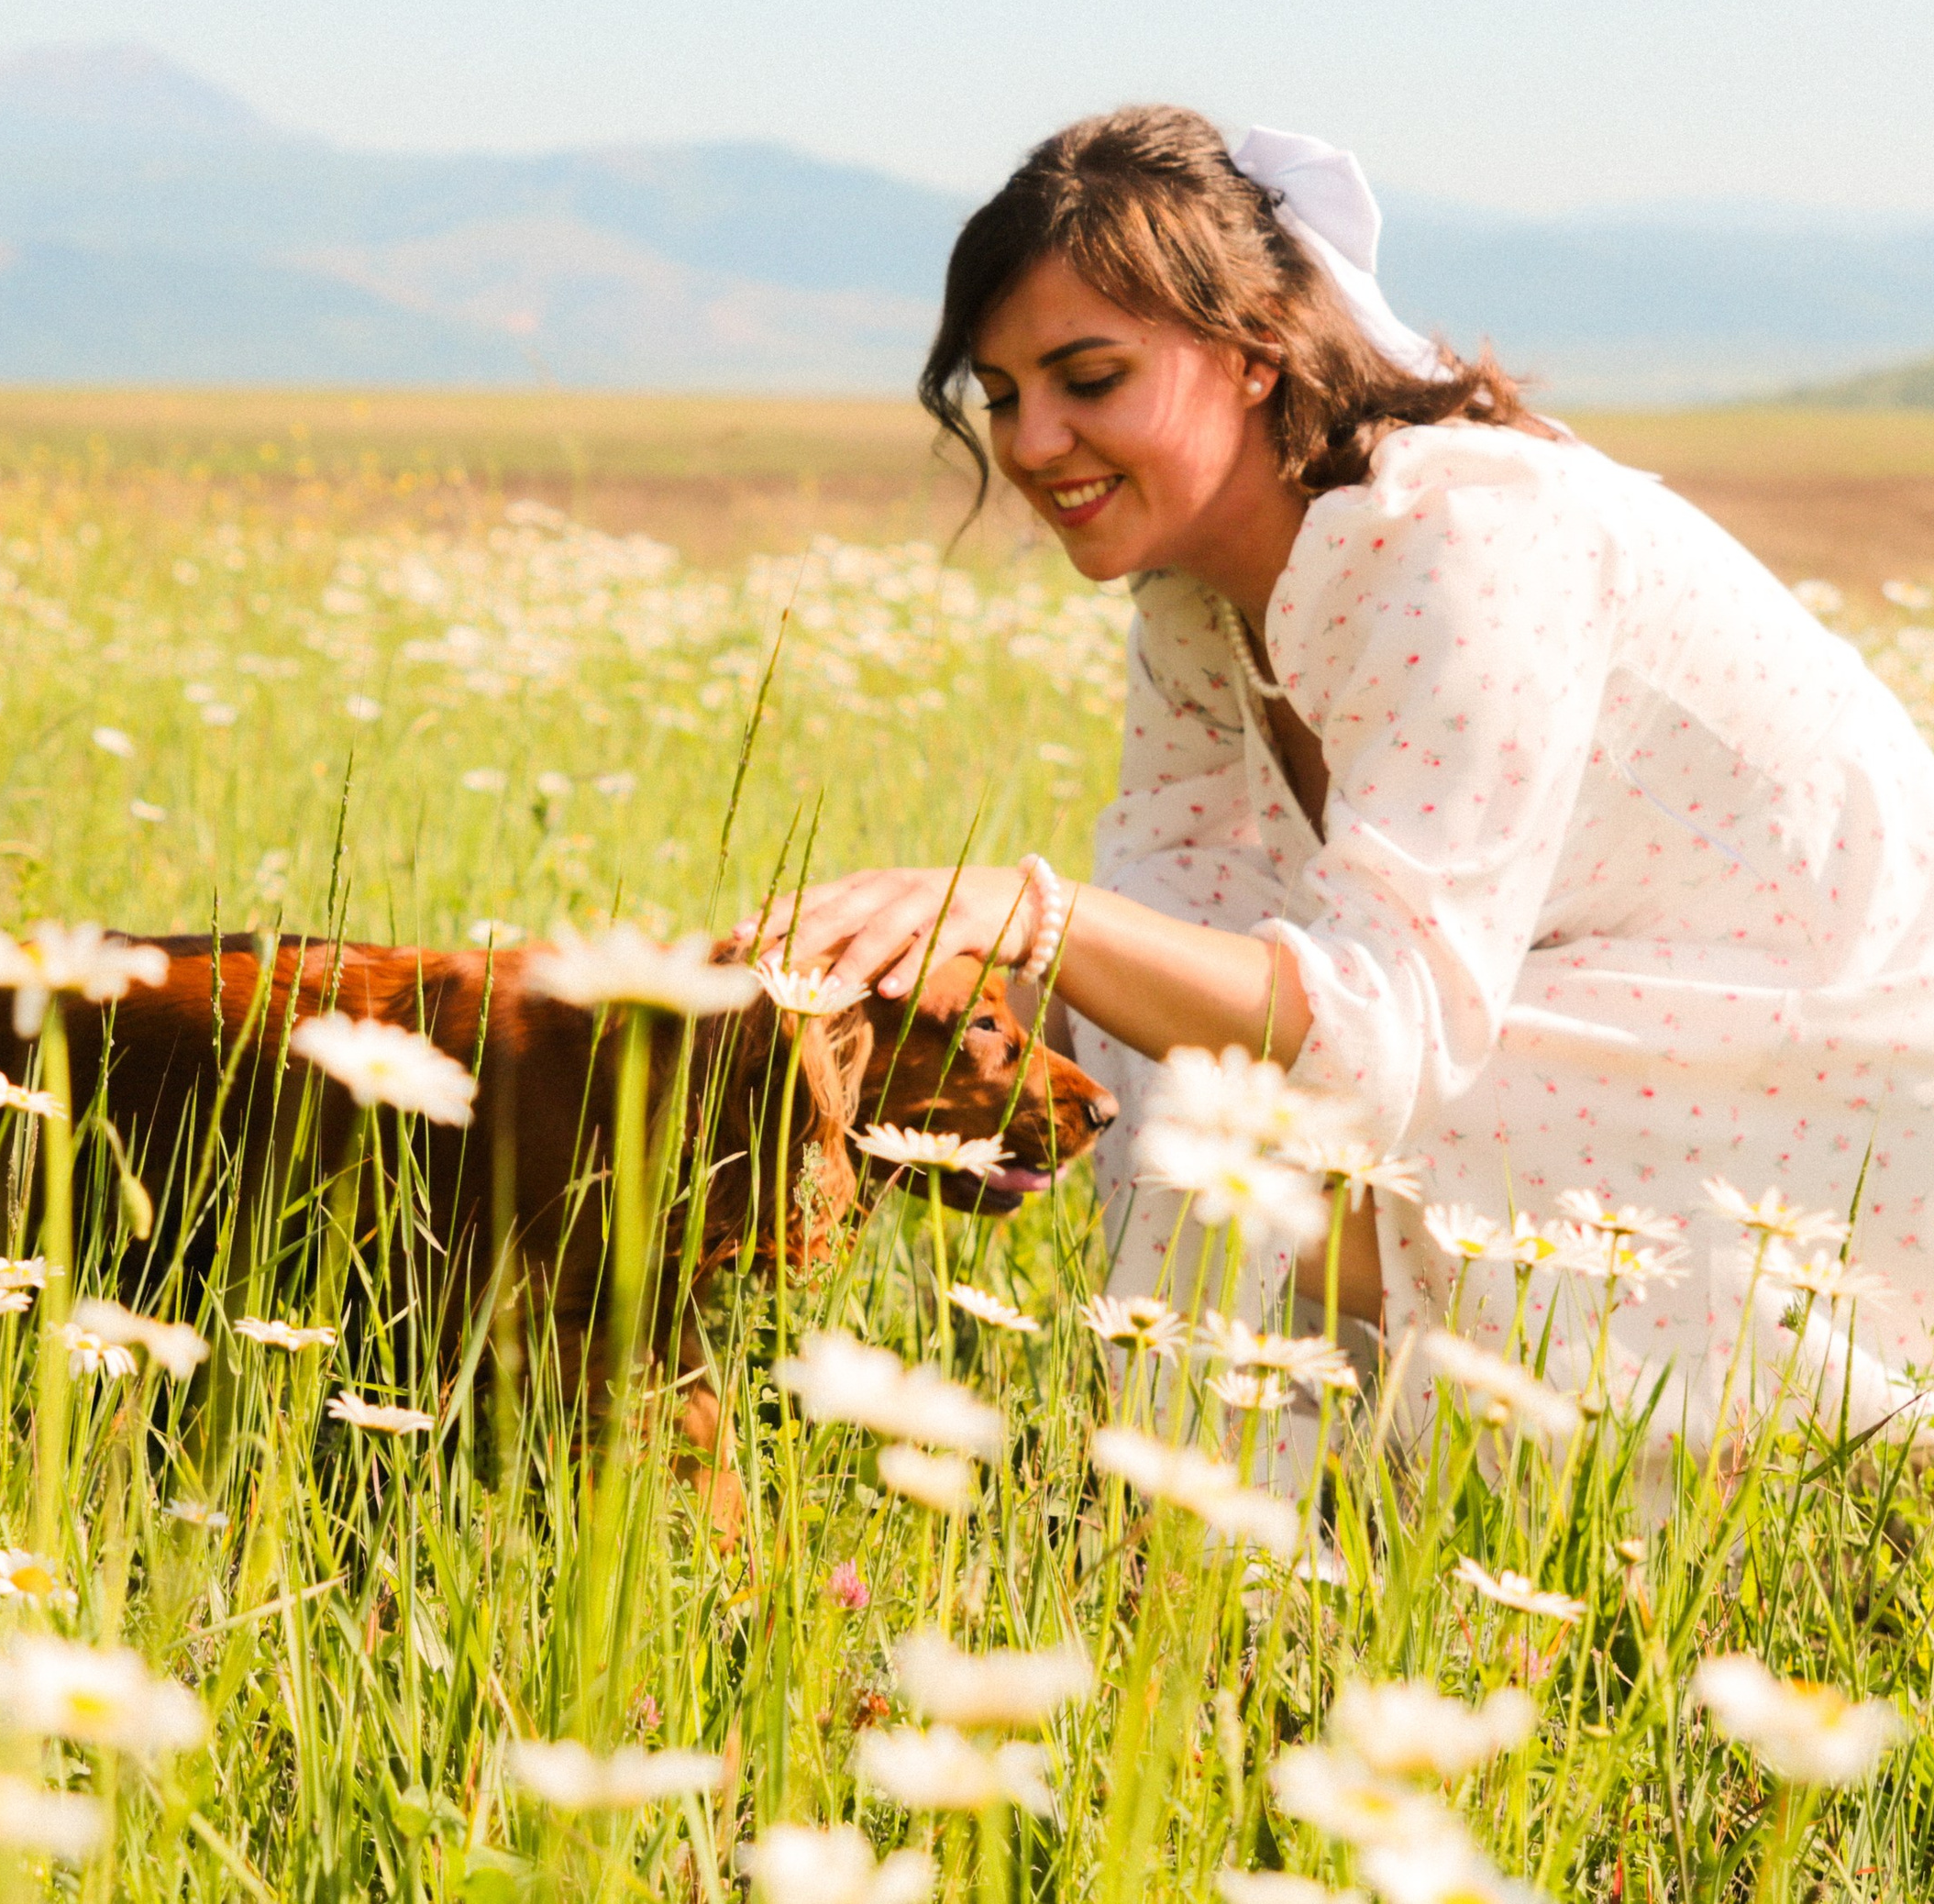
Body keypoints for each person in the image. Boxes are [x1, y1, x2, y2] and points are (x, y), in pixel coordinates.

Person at [744, 103, 1934, 1433]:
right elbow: (1168, 933)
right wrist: (853, 1012)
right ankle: (1254, 1503)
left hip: (1830, 1084)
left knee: (1258, 1110)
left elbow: (1373, 1038)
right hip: (1604, 1031)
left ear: (1253, 351)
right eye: (1003, 395)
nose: (1029, 445)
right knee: (1186, 1059)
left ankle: (1428, 1500)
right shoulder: (1195, 598)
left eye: (1090, 380)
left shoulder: (1471, 544)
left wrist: (1028, 914)